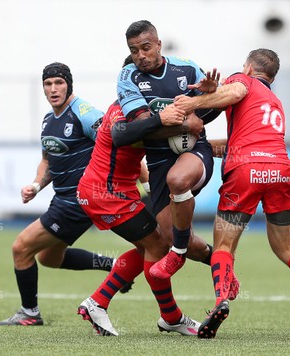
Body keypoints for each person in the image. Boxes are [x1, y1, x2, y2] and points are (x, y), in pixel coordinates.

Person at [174, 48, 290, 339]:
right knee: (287, 247)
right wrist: (200, 147)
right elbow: (245, 140)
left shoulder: (243, 80)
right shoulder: (274, 101)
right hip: (280, 169)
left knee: (224, 246)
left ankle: (221, 302)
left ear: (250, 68)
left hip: (245, 171)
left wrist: (190, 105)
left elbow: (233, 92)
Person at [76, 55, 221, 336]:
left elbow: (180, 135)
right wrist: (185, 124)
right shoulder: (124, 114)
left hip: (115, 192)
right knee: (158, 245)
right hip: (105, 194)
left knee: (148, 246)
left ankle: (97, 302)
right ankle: (171, 317)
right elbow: (130, 135)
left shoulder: (142, 114)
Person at [0, 63, 121, 326]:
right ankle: (115, 265)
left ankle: (29, 313)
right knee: (49, 258)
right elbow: (48, 160)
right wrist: (36, 185)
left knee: (21, 248)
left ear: (69, 85)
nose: (53, 89)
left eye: (59, 83)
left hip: (77, 201)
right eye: (48, 84)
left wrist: (137, 176)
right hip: (62, 199)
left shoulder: (83, 113)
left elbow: (115, 142)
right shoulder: (48, 120)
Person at [117, 20, 224, 280]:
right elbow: (142, 127)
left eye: (146, 47)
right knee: (172, 237)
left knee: (177, 180)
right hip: (158, 162)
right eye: (134, 50)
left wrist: (209, 97)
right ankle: (219, 264)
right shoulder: (128, 77)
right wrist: (184, 124)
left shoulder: (186, 68)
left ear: (158, 44)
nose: (140, 56)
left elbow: (213, 108)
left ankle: (176, 253)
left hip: (195, 152)